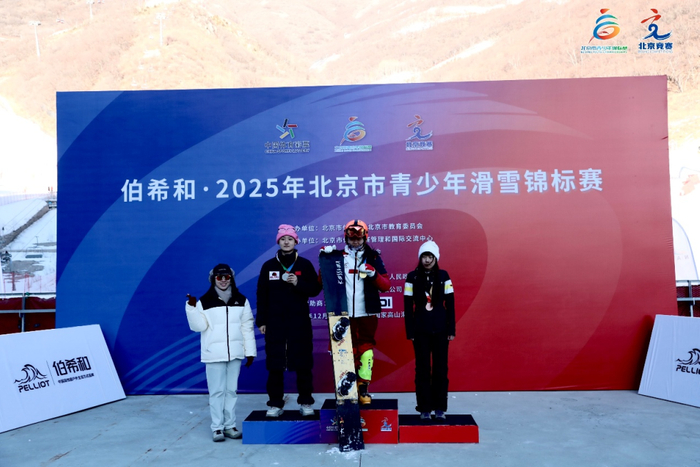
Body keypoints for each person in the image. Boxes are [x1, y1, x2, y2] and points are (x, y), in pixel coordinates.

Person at [321, 219, 391, 404]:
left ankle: (363, 388)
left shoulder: (373, 257)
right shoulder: (337, 256)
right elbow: (322, 283)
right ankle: (347, 389)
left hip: (366, 313)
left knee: (366, 350)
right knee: (344, 350)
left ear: (365, 237)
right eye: (352, 237)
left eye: (359, 237)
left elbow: (386, 285)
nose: (355, 241)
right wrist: (325, 262)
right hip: (343, 314)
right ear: (346, 237)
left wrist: (373, 273)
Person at [256, 224, 322, 417]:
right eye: (283, 239)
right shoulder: (269, 266)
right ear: (278, 242)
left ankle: (306, 402)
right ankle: (275, 404)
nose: (286, 242)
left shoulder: (304, 265)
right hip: (275, 323)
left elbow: (315, 289)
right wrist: (262, 321)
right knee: (275, 365)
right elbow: (262, 295)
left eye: (290, 239)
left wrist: (297, 283)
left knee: (303, 364)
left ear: (295, 242)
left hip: (299, 323)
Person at [186, 263, 256, 442]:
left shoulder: (242, 300)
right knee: (216, 392)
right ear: (213, 279)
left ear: (231, 278)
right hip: (213, 353)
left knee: (231, 391)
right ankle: (217, 427)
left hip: (235, 354)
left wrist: (250, 352)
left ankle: (230, 426)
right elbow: (198, 327)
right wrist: (192, 309)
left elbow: (247, 327)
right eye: (219, 277)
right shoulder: (204, 301)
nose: (223, 280)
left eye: (226, 277)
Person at [403, 240, 455, 421]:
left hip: (441, 330)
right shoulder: (412, 277)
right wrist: (410, 332)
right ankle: (424, 408)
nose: (427, 260)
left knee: (441, 369)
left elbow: (450, 304)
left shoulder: (443, 276)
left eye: (430, 256)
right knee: (422, 370)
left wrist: (451, 329)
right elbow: (408, 306)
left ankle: (440, 408)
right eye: (424, 256)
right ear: (420, 258)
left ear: (436, 258)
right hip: (420, 331)